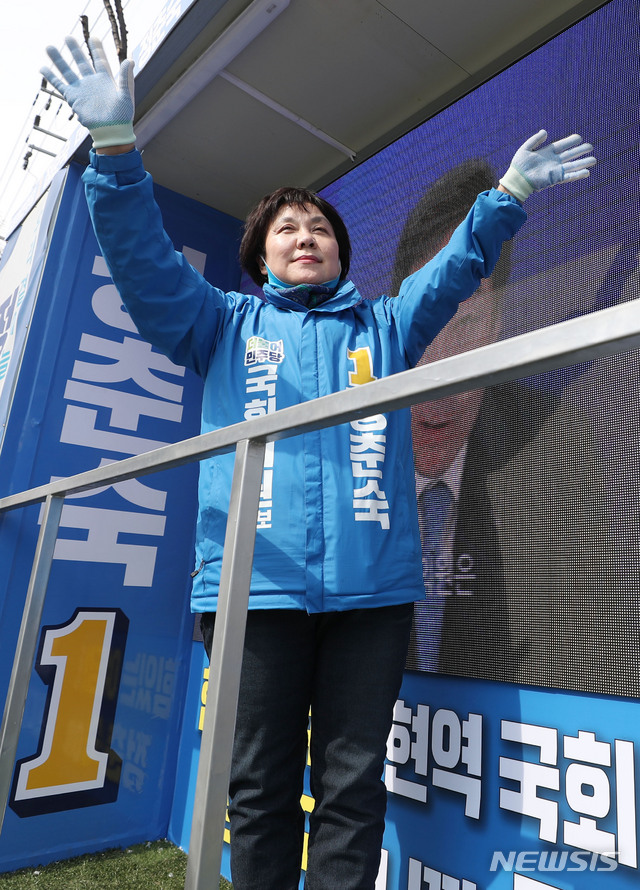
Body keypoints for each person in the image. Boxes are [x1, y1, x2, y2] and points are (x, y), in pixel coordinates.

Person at [41, 36, 596, 890]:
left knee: (352, 786)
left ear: (341, 253)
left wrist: (508, 195)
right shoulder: (220, 325)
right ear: (260, 256)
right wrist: (116, 151)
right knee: (257, 788)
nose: (306, 237)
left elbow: (452, 276)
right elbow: (146, 267)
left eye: (321, 228)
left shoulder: (384, 326)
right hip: (254, 591)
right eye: (287, 229)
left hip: (373, 598)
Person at [394, 160, 624, 693]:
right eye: (428, 326)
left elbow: (596, 643)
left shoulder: (564, 445)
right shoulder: (354, 448)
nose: (441, 363)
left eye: (468, 323)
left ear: (497, 327)